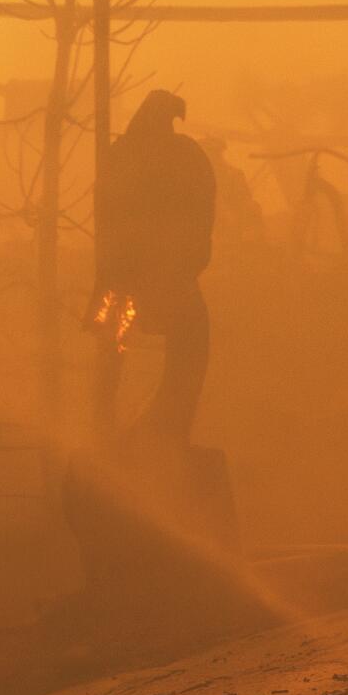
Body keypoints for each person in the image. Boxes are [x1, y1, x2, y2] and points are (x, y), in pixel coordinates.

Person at [95, 89, 216, 441]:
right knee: (116, 348)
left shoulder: (124, 155)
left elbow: (200, 214)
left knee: (115, 347)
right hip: (142, 278)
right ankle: (116, 428)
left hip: (140, 277)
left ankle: (159, 429)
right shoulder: (181, 156)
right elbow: (201, 215)